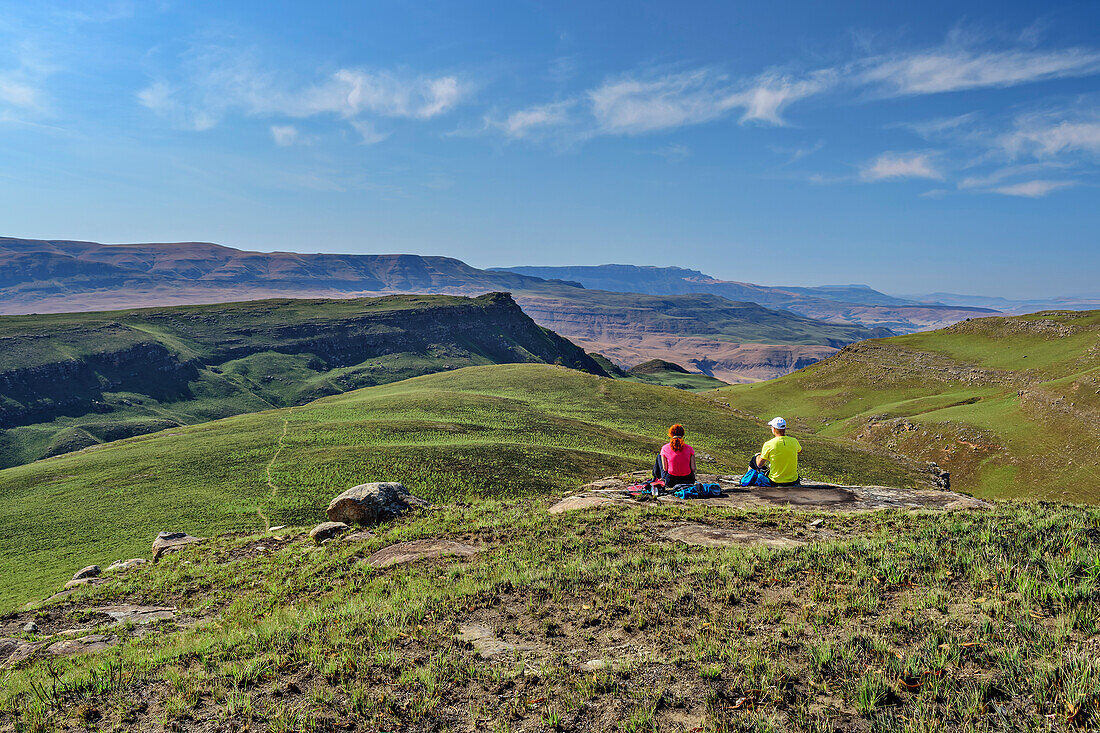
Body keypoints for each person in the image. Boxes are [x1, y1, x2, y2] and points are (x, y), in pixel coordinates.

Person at [751, 417, 802, 486]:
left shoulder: (768, 444)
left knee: (754, 459)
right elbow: (799, 451)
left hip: (775, 481)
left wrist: (758, 456)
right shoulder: (794, 441)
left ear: (774, 429)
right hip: (793, 480)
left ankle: (748, 479)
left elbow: (759, 465)